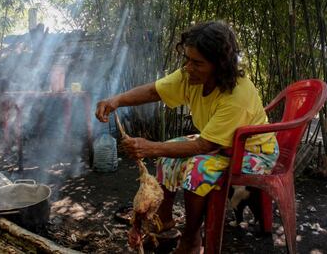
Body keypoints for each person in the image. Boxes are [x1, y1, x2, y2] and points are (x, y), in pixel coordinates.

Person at [95, 21, 279, 254]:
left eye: (197, 63)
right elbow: (154, 91)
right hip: (220, 144)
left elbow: (204, 145)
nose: (188, 67)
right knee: (170, 153)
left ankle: (192, 238)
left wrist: (150, 148)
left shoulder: (237, 95)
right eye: (188, 59)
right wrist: (117, 100)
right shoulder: (190, 76)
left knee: (198, 169)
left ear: (219, 65)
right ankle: (165, 222)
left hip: (254, 153)